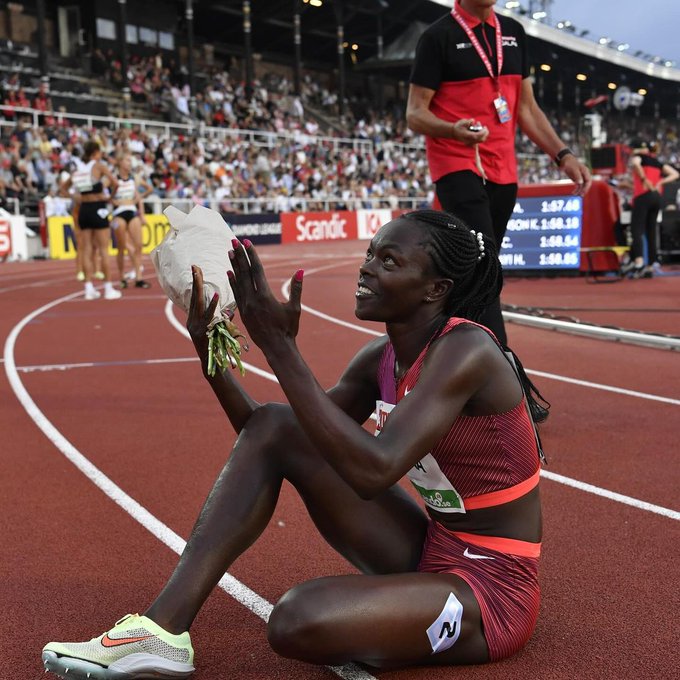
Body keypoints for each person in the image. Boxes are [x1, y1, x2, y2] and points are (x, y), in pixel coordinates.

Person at [43, 210, 545, 679]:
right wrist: (208, 344)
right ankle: (161, 631)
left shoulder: (467, 350)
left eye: (388, 261)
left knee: (296, 621)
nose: (366, 269)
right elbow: (267, 432)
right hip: (433, 547)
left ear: (436, 289)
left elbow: (374, 470)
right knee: (280, 426)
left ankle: (417, 614)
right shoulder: (381, 359)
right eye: (371, 253)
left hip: (494, 585)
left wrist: (280, 346)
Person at [406, 0, 591, 348]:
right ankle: (505, 371)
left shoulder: (514, 33)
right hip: (456, 162)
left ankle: (438, 348)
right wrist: (452, 129)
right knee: (484, 267)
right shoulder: (438, 36)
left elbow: (527, 108)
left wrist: (562, 155)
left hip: (503, 168)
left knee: (474, 272)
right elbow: (415, 114)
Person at [61, 141, 122, 300]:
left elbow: (63, 188)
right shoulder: (99, 166)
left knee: (86, 250)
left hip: (83, 210)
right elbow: (115, 183)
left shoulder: (77, 169)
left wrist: (75, 196)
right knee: (103, 250)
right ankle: (108, 288)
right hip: (98, 208)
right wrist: (110, 197)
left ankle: (89, 289)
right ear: (96, 152)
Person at [622, 139, 679, 278]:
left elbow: (636, 165)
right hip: (656, 197)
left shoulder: (638, 157)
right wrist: (660, 182)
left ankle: (639, 262)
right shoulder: (657, 162)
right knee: (651, 231)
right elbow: (676, 174)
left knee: (637, 229)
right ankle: (650, 265)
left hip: (642, 195)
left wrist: (643, 179)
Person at [111, 155, 152, 289]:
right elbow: (102, 192)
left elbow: (149, 189)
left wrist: (137, 202)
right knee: (122, 247)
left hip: (132, 212)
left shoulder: (134, 178)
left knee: (138, 245)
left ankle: (139, 278)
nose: (129, 163)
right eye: (127, 160)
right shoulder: (112, 178)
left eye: (130, 161)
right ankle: (122, 277)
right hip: (118, 213)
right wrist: (112, 200)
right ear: (120, 162)